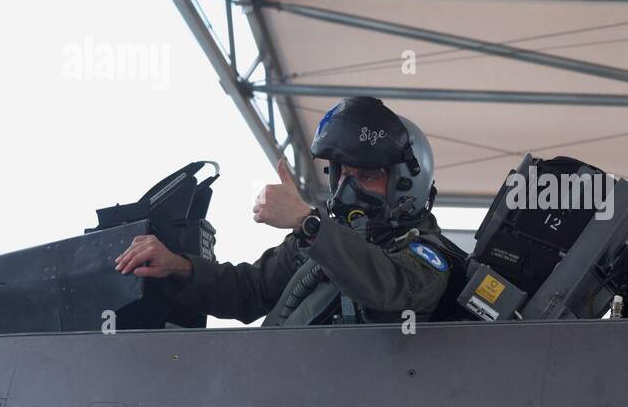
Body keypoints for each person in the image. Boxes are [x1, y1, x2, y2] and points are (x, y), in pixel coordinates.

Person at [113, 96, 465, 326]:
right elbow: (248, 291)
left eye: (368, 176)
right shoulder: (316, 242)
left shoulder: (428, 257)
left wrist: (308, 223)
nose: (349, 189)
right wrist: (179, 267)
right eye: (344, 174)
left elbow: (391, 292)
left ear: (407, 184)